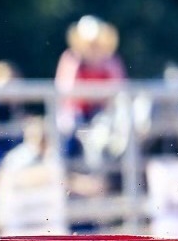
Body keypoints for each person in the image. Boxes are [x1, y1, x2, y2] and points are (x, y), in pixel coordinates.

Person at [54, 15, 126, 157]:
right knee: (66, 131)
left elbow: (120, 91)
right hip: (76, 114)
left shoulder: (110, 61)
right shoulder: (71, 60)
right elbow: (65, 91)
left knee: (111, 133)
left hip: (104, 113)